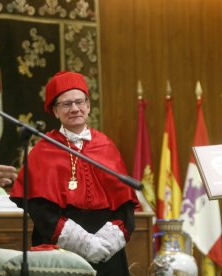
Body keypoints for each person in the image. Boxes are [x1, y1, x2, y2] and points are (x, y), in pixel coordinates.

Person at [10, 71, 139, 275]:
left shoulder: (106, 146)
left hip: (107, 252)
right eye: (66, 104)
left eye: (79, 102)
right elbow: (41, 210)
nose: (75, 108)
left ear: (88, 105)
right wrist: (84, 244)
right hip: (60, 252)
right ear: (55, 111)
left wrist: (104, 244)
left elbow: (125, 207)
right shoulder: (43, 150)